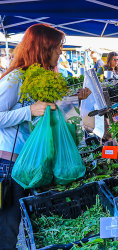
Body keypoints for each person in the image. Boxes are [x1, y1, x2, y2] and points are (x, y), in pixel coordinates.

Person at [0, 23, 64, 248]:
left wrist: (75, 99)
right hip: (8, 165)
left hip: (27, 162)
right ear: (43, 48)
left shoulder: (38, 77)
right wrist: (29, 110)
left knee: (17, 224)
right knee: (7, 227)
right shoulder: (15, 79)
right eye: (57, 47)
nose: (61, 52)